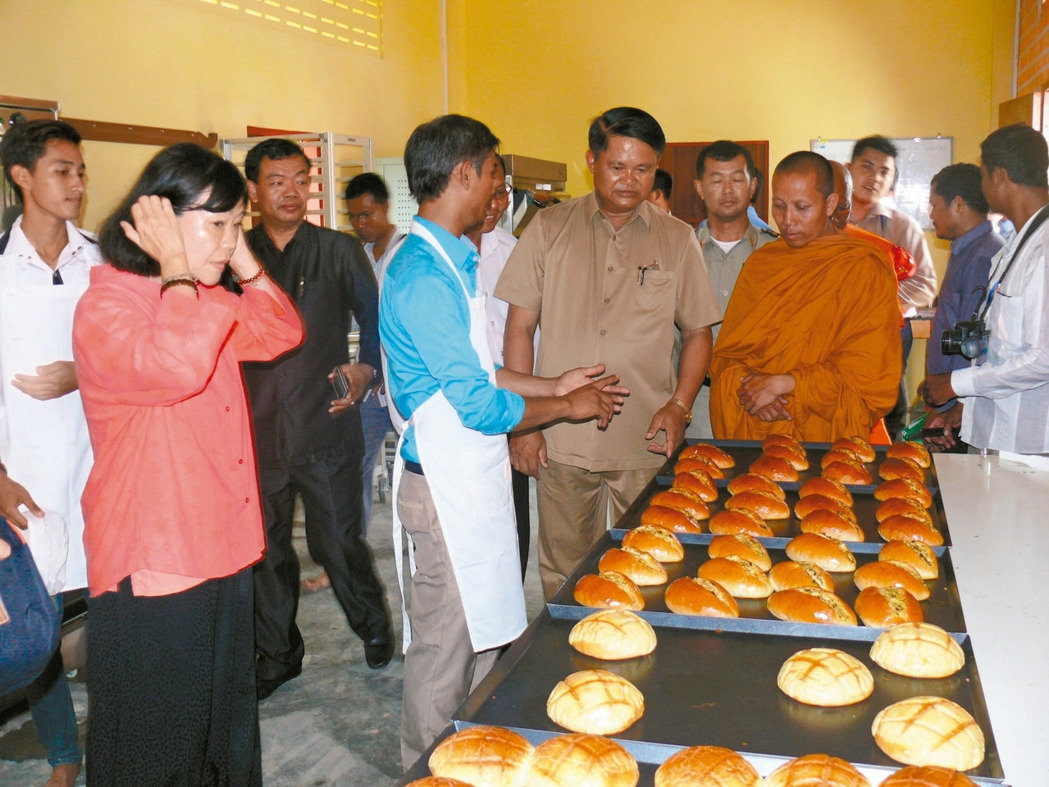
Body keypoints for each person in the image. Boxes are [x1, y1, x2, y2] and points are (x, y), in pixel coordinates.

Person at [381, 114, 625, 767]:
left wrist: (552, 379)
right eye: (492, 171)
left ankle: (473, 757)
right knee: (442, 651)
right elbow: (476, 403)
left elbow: (479, 370)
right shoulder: (423, 275)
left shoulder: (448, 259)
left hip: (467, 479)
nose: (498, 186)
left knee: (480, 633)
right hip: (442, 489)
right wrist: (563, 405)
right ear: (463, 173)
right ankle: (424, 768)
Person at [72, 142, 304, 784]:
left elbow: (282, 331)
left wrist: (240, 253)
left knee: (222, 734)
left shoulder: (202, 300)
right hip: (156, 563)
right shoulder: (109, 307)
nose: (228, 243)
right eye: (217, 225)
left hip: (221, 548)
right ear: (160, 221)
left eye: (237, 225)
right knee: (158, 745)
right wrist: (178, 265)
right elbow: (175, 367)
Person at [497, 106, 720, 599]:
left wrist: (679, 406)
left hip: (646, 437)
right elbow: (519, 327)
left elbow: (698, 334)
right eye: (617, 166)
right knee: (563, 571)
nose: (629, 180)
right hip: (561, 436)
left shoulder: (678, 239)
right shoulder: (548, 229)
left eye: (643, 169)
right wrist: (525, 425)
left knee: (650, 567)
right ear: (590, 161)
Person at [242, 139, 394, 701]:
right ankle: (279, 654)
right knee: (268, 551)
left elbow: (378, 323)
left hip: (325, 423)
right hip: (256, 432)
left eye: (300, 179)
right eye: (276, 180)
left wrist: (366, 370)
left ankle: (373, 627)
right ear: (253, 190)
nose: (290, 191)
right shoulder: (233, 255)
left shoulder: (338, 250)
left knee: (337, 543)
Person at [0, 119, 97, 787]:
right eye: (61, 170)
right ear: (23, 176)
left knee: (112, 611)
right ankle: (64, 751)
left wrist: (83, 372)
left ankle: (123, 731)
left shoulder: (105, 258)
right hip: (23, 475)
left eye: (80, 170)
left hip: (100, 466)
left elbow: (135, 355)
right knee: (35, 624)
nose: (77, 183)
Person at [709, 151, 901, 441]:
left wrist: (788, 384)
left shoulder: (864, 267)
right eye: (779, 206)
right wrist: (753, 389)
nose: (788, 221)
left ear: (830, 204)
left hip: (826, 437)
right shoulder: (762, 264)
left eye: (802, 207)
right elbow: (726, 358)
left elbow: (869, 377)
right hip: (758, 429)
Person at [925, 124, 1049, 456]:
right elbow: (1000, 349)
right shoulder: (1016, 245)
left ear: (1000, 177)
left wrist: (954, 384)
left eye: (982, 177)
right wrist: (964, 408)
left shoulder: (1045, 249)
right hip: (1000, 434)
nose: (982, 187)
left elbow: (1043, 359)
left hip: (1033, 444)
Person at [463, 154, 532, 578]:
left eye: (501, 194)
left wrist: (528, 427)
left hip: (511, 405)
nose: (494, 205)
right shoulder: (427, 261)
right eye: (486, 195)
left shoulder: (514, 254)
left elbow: (531, 337)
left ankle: (509, 635)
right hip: (457, 416)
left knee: (513, 521)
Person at [848, 135, 937, 436]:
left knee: (888, 415)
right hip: (836, 335)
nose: (874, 178)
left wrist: (876, 302)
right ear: (849, 169)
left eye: (884, 172)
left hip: (887, 337)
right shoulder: (828, 220)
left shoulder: (902, 226)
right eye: (867, 167)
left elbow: (925, 285)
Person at [690, 140, 778, 438]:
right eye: (716, 180)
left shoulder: (779, 254)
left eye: (737, 179)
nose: (728, 190)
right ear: (700, 188)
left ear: (752, 185)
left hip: (763, 405)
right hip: (694, 406)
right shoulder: (679, 252)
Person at [922, 164, 1003, 452]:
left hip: (959, 410)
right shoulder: (967, 251)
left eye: (934, 204)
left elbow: (977, 347)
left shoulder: (982, 257)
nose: (931, 214)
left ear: (957, 204)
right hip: (951, 401)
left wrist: (953, 406)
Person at [345, 172, 405, 531]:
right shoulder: (357, 257)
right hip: (369, 388)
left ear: (386, 207)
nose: (361, 223)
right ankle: (352, 557)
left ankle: (425, 554)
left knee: (420, 471)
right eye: (353, 216)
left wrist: (388, 374)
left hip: (403, 384)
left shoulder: (407, 253)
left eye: (367, 214)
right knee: (356, 466)